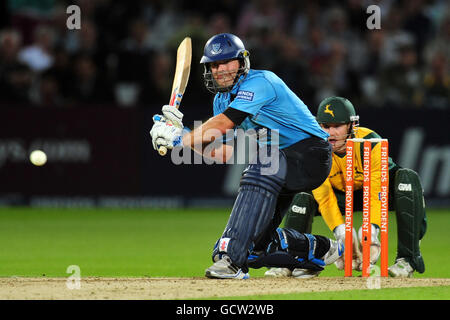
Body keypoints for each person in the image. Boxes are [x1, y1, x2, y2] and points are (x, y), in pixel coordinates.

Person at [149, 33, 343, 279]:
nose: (219, 70)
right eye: (214, 65)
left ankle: (231, 260)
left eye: (226, 62)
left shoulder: (261, 82)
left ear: (242, 61)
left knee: (261, 162)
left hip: (311, 154)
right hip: (278, 163)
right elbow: (221, 152)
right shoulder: (221, 101)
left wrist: (177, 139)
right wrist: (182, 133)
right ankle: (323, 249)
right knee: (255, 247)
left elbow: (222, 125)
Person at [266, 96, 427, 278]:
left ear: (351, 126)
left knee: (407, 178)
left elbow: (376, 192)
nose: (331, 133)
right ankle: (292, 260)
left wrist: (371, 230)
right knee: (302, 194)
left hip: (378, 193)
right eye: (326, 126)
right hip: (339, 195)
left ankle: (408, 260)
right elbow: (324, 196)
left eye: (337, 126)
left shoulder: (371, 142)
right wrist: (343, 233)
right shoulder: (314, 148)